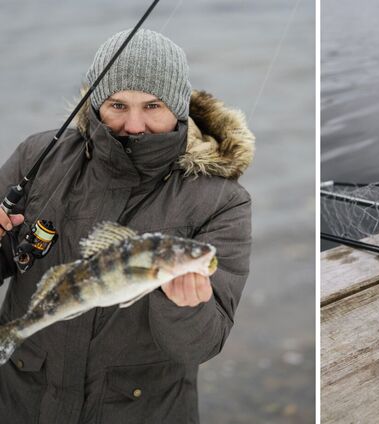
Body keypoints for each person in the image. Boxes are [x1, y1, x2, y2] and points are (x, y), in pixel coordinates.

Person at [0, 28, 254, 423]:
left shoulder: (223, 201)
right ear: (97, 102)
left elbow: (201, 345)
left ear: (179, 108)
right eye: (118, 104)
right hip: (20, 402)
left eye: (153, 106)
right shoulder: (38, 157)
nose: (134, 125)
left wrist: (184, 309)